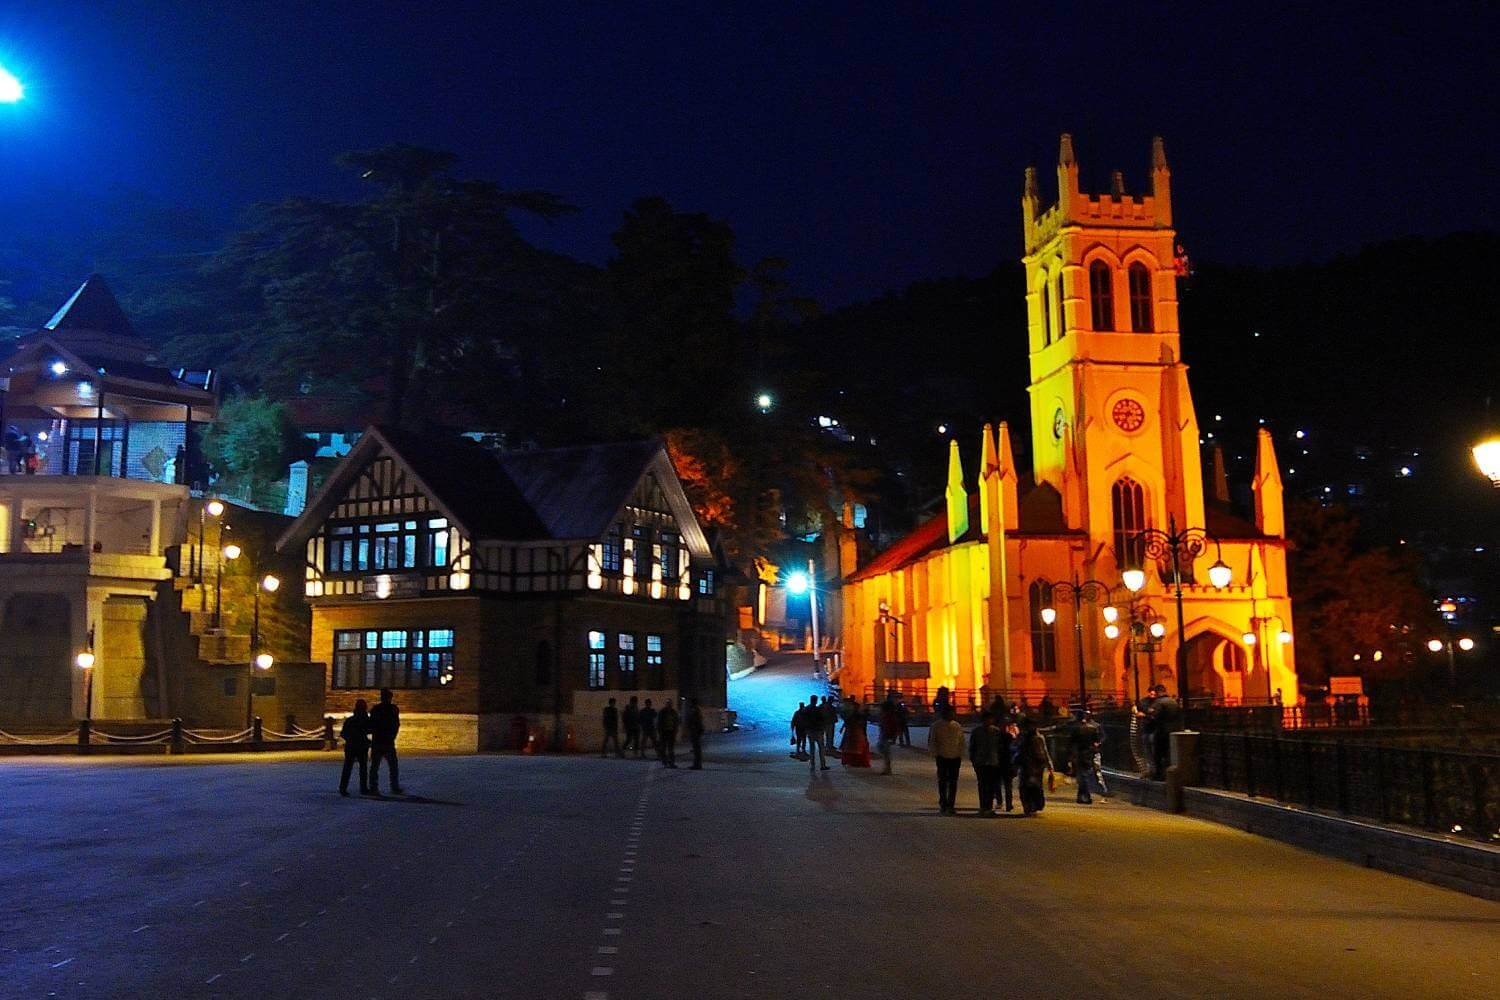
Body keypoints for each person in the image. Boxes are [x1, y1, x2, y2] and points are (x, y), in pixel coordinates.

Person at [929, 703, 965, 814]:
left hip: (955, 757)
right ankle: (944, 803)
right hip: (942, 757)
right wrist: (936, 754)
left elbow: (961, 741)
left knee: (953, 782)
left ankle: (951, 804)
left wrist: (960, 753)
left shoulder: (957, 726)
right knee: (943, 781)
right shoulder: (936, 726)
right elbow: (932, 741)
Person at [367, 688, 403, 796]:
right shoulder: (393, 709)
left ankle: (374, 787)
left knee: (375, 766)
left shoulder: (376, 709)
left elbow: (372, 724)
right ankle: (394, 786)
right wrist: (392, 736)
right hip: (387, 741)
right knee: (392, 765)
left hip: (378, 740)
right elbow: (396, 724)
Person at [968, 709, 1003, 816]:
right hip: (981, 762)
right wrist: (974, 760)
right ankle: (983, 806)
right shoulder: (977, 732)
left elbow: (1001, 747)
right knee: (982, 785)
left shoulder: (997, 732)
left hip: (993, 762)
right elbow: (972, 747)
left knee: (991, 785)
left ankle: (989, 806)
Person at [1016, 717, 1052, 816]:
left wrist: (1049, 765)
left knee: (1035, 787)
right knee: (1026, 787)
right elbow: (1017, 750)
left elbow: (1044, 751)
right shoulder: (1023, 737)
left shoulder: (1038, 737)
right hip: (1026, 765)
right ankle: (1029, 806)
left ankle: (1035, 805)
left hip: (1037, 766)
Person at [1146, 684, 1181, 780]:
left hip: (1161, 732)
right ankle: (1171, 774)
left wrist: (1146, 715)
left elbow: (1153, 716)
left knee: (1158, 754)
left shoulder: (1158, 703)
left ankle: (1159, 775)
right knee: (1170, 754)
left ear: (1157, 692)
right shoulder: (1173, 702)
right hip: (1174, 731)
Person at [1068, 709, 1104, 804]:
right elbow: (1097, 739)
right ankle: (1082, 795)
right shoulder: (1094, 727)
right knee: (1085, 774)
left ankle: (1084, 795)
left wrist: (1072, 755)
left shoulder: (1077, 728)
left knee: (1082, 775)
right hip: (1090, 752)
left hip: (1080, 752)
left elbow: (1072, 741)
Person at [338, 699, 370, 796]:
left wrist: (350, 739)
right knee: (363, 768)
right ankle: (363, 788)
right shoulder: (366, 720)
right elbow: (371, 729)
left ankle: (343, 787)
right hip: (362, 745)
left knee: (348, 767)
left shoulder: (350, 720)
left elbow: (343, 733)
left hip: (351, 745)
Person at [804, 695, 829, 772]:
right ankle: (822, 765)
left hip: (810, 731)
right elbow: (822, 719)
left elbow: (804, 720)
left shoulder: (806, 709)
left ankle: (812, 764)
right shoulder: (817, 709)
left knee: (812, 748)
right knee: (821, 748)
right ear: (816, 700)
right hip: (818, 731)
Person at [877, 696, 901, 775]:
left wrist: (893, 736)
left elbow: (893, 726)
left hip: (887, 735)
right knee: (884, 750)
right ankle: (887, 768)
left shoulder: (890, 716)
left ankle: (887, 769)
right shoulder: (888, 715)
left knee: (885, 752)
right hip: (885, 734)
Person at [657, 699, 679, 767]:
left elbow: (676, 722)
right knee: (663, 748)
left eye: (670, 703)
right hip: (664, 732)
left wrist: (675, 731)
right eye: (668, 703)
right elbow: (659, 722)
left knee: (670, 748)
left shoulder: (673, 712)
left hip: (671, 732)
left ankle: (671, 762)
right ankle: (665, 761)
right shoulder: (662, 712)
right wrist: (660, 731)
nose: (669, 705)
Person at [685, 697, 705, 769]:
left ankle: (697, 764)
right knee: (696, 748)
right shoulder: (697, 709)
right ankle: (697, 764)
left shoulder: (694, 710)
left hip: (695, 730)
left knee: (696, 748)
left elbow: (694, 720)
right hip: (696, 730)